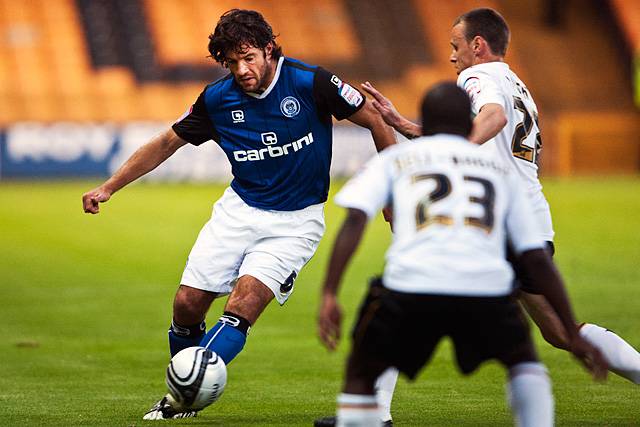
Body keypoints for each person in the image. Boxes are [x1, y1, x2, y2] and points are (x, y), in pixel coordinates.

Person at [315, 8, 640, 426]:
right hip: (530, 223)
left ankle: (372, 416)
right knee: (562, 334)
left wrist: (451, 155)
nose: (452, 56)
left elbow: (492, 118)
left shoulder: (477, 78)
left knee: (401, 301)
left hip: (490, 224)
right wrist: (404, 124)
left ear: (478, 45)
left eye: (456, 46)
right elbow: (483, 128)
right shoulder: (515, 82)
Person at [81, 9, 396, 420]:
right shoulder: (217, 99)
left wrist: (394, 188)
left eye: (248, 58)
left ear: (269, 49)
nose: (241, 70)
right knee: (187, 305)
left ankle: (181, 399)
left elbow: (375, 119)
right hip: (238, 211)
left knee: (242, 305)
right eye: (231, 62)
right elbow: (165, 143)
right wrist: (109, 187)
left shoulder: (310, 81)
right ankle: (189, 392)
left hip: (295, 223)